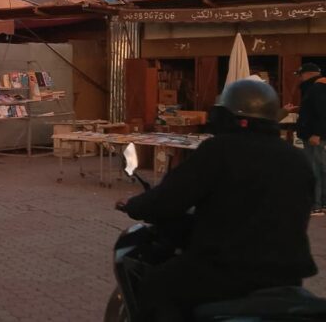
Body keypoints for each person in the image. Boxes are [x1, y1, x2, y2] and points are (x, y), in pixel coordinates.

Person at [117, 79, 318, 321]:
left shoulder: (219, 150)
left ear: (231, 117)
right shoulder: (296, 158)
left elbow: (169, 198)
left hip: (226, 269)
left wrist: (135, 205)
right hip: (288, 273)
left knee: (154, 286)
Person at [287, 62, 326, 215]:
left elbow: (322, 112)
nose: (300, 78)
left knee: (315, 168)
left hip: (314, 137)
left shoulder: (317, 89)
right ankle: (321, 203)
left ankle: (316, 204)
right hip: (314, 136)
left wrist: (317, 133)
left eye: (301, 75)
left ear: (308, 74)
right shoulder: (316, 88)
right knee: (319, 167)